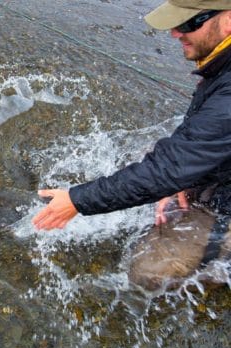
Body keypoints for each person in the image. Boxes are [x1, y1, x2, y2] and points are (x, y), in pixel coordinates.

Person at [32, 0, 231, 236]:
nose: (174, 33)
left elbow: (170, 167)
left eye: (187, 23)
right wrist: (188, 174)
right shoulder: (220, 62)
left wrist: (76, 200)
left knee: (150, 270)